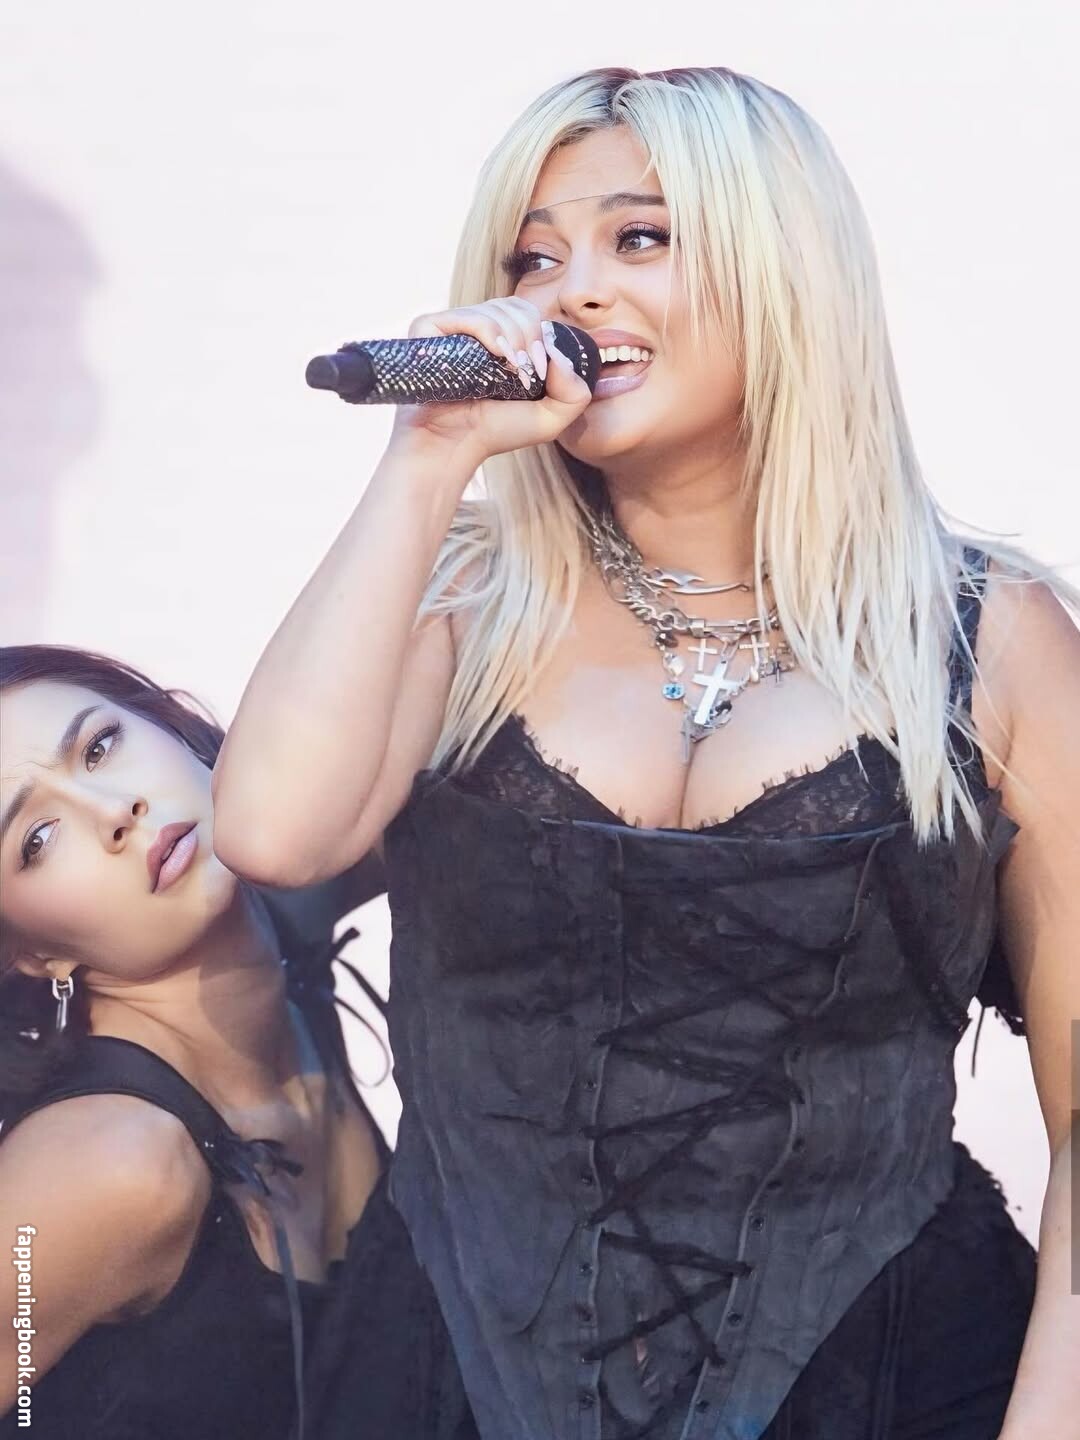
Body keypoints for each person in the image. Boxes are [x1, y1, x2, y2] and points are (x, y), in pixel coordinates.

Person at [212, 65, 1080, 1440]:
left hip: (891, 1377)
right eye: (533, 259)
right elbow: (271, 833)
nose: (575, 293)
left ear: (784, 269)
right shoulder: (456, 599)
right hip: (450, 1380)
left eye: (640, 238)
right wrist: (427, 458)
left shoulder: (989, 636)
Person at [0, 645, 477, 1440]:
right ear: (33, 954)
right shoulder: (114, 1165)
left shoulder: (301, 896)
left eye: (100, 746)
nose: (115, 811)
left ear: (173, 728)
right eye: (38, 840)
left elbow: (457, 668)